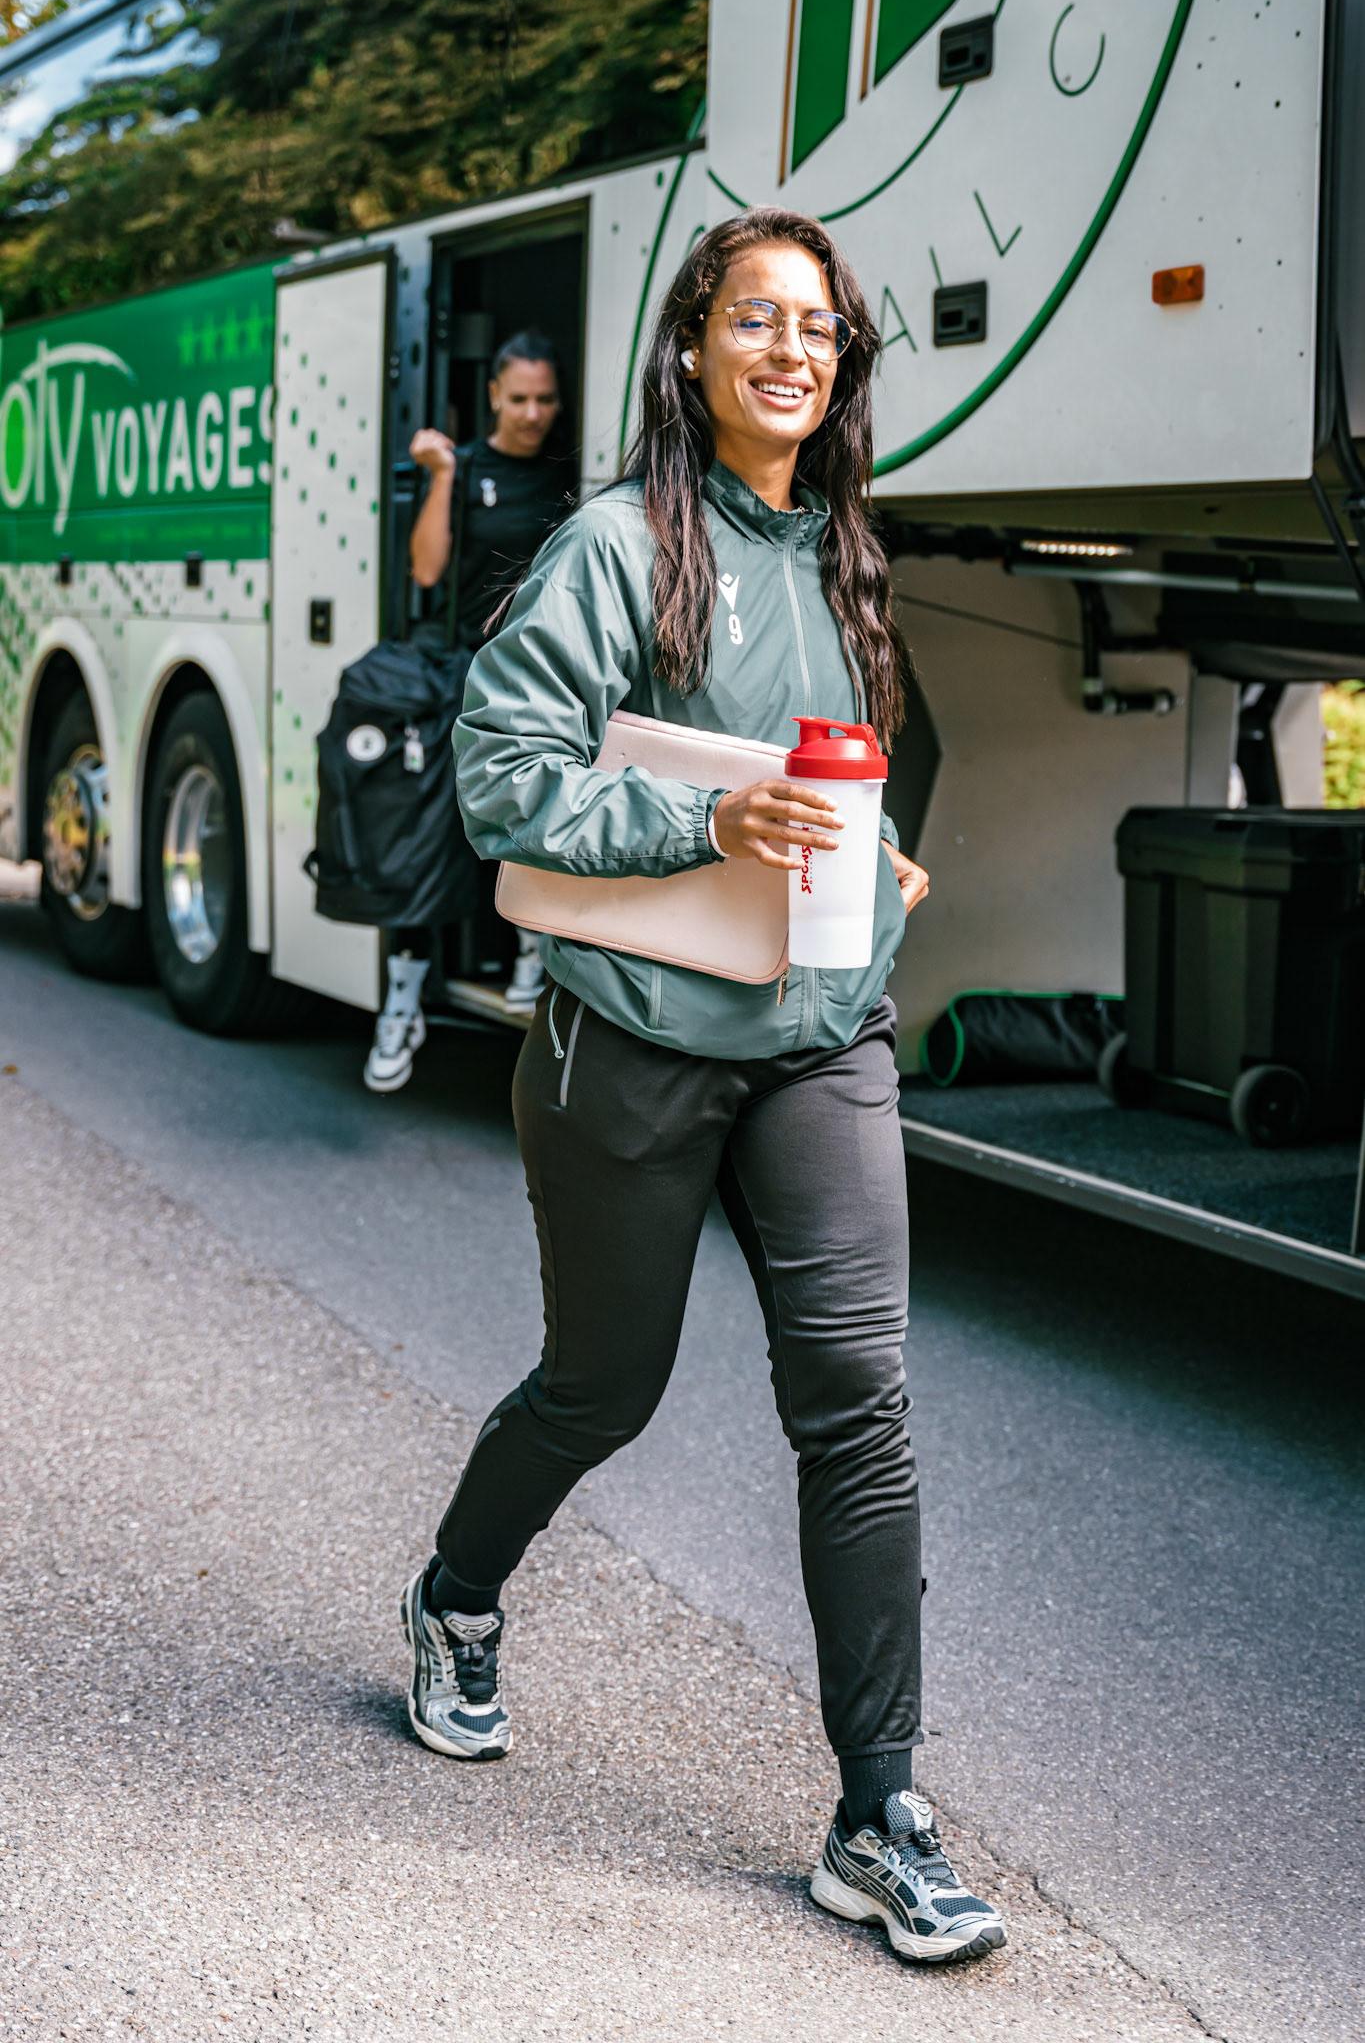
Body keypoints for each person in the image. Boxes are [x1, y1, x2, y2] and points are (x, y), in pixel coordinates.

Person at [398, 210, 1007, 1966]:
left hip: (820, 1038)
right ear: (692, 348)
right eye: (758, 318)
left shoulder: (846, 552)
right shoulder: (612, 545)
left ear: (843, 366)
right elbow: (503, 780)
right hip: (632, 1043)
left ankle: (875, 1806)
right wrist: (700, 819)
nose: (791, 351)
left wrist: (877, 857)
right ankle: (455, 1599)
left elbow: (865, 760)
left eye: (820, 328)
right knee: (604, 1384)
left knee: (859, 1400)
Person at [363, 330, 572, 1093]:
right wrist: (445, 474)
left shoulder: (568, 473)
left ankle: (527, 951)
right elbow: (425, 567)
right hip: (466, 674)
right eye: (518, 399)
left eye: (545, 399)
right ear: (492, 396)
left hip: (543, 676)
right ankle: (403, 1001)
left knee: (532, 814)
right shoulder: (469, 465)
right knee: (433, 831)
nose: (532, 413)